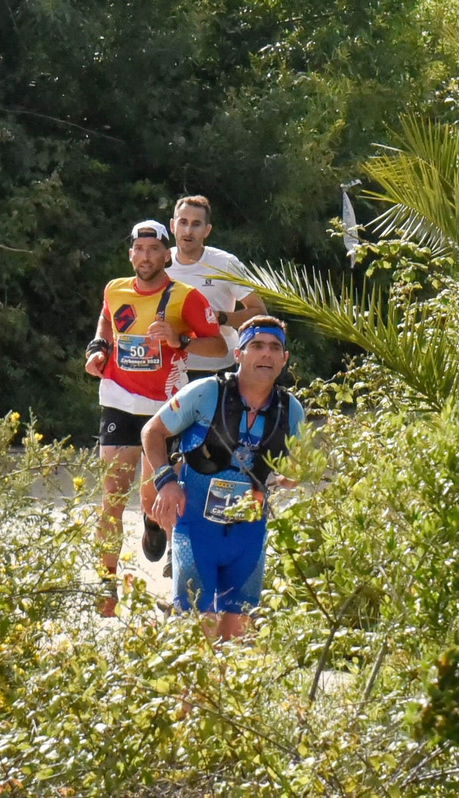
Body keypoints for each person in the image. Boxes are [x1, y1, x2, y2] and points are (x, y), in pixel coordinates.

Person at [85, 220, 224, 616]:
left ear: (167, 255)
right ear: (131, 254)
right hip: (118, 398)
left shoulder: (186, 297)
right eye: (139, 249)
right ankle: (106, 588)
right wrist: (98, 349)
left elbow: (217, 347)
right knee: (112, 496)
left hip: (163, 409)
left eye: (153, 250)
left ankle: (174, 578)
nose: (146, 257)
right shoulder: (115, 288)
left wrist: (180, 340)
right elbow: (106, 321)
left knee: (157, 497)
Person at [140, 315, 303, 640]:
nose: (266, 354)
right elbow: (152, 432)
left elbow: (294, 471)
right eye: (256, 346)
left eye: (274, 348)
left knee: (236, 643)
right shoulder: (205, 393)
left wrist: (289, 476)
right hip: (196, 533)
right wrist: (166, 482)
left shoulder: (291, 409)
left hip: (249, 537)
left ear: (284, 359)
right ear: (238, 354)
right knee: (198, 639)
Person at [166, 195, 268, 383]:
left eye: (196, 224)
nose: (188, 231)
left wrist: (220, 317)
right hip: (170, 368)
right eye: (183, 222)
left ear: (207, 230)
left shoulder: (225, 263)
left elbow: (259, 312)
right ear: (173, 226)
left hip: (219, 368)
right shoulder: (160, 263)